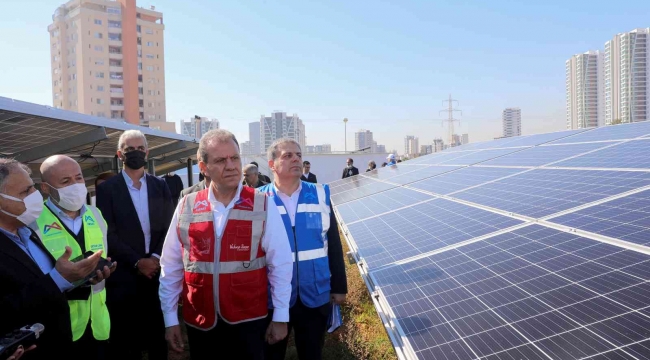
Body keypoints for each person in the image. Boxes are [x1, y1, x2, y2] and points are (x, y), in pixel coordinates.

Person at [160, 129, 293, 360]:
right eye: (221, 160)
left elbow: (280, 264)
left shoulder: (262, 204)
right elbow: (170, 265)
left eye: (235, 158)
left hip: (249, 322)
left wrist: (281, 317)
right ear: (203, 167)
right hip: (201, 323)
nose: (231, 166)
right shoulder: (186, 206)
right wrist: (170, 320)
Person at [0, 159, 108, 359]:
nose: (34, 196)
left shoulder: (25, 233)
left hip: (69, 337)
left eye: (32, 189)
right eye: (25, 192)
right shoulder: (35, 225)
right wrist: (59, 278)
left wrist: (79, 276)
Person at [261, 138, 347, 360]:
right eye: (287, 156)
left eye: (298, 155)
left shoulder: (320, 194)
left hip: (315, 294)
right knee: (271, 354)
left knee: (312, 353)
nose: (296, 159)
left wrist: (339, 286)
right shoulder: (258, 199)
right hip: (272, 297)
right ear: (272, 165)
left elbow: (333, 243)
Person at [96, 130, 174, 360]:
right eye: (130, 149)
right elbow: (108, 232)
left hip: (156, 274)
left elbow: (169, 225)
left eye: (140, 149)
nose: (136, 153)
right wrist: (138, 262)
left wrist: (156, 258)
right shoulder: (107, 189)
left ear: (147, 152)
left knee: (157, 337)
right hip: (124, 277)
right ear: (120, 154)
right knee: (127, 341)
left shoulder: (160, 185)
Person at [31, 155, 116, 360]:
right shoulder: (33, 220)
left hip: (97, 323)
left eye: (78, 178)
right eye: (65, 181)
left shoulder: (96, 214)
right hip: (58, 327)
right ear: (45, 188)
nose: (76, 185)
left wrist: (104, 270)